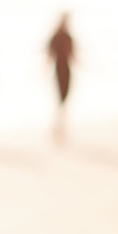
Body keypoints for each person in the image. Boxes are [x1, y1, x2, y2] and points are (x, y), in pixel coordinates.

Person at [47, 12, 75, 143]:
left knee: (64, 98)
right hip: (60, 70)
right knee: (61, 98)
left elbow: (72, 55)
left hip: (65, 70)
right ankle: (59, 126)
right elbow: (50, 55)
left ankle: (60, 126)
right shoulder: (58, 37)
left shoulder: (67, 37)